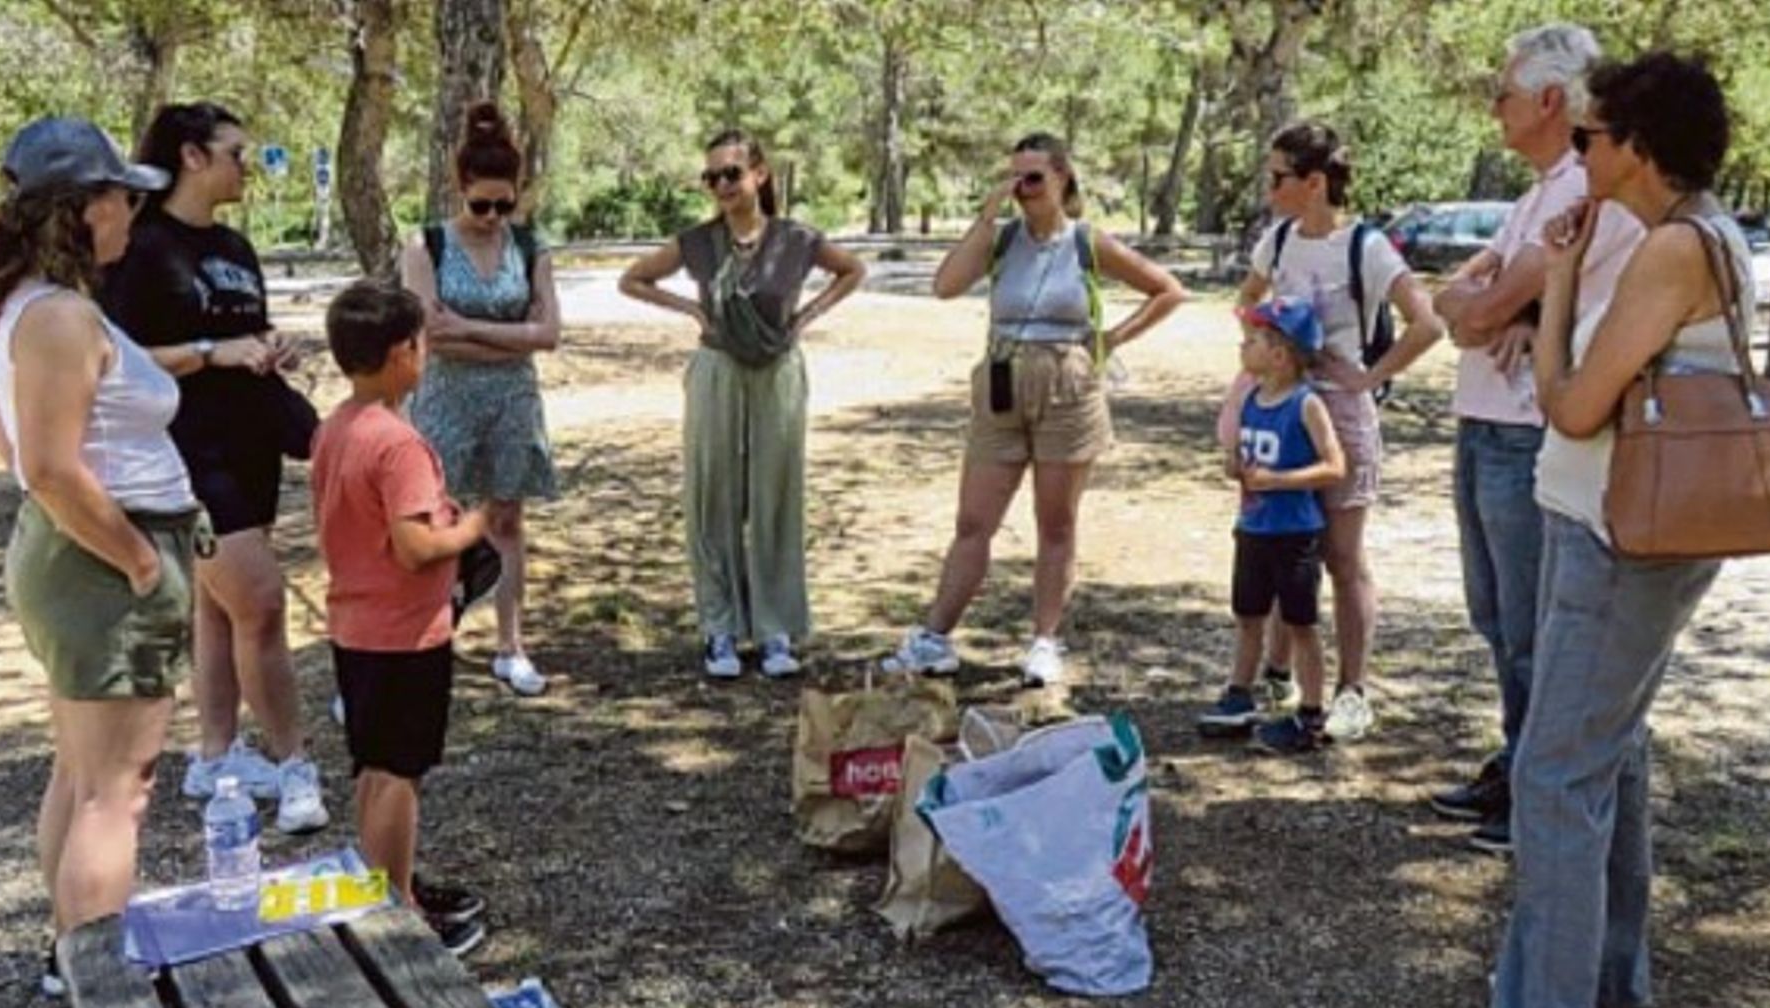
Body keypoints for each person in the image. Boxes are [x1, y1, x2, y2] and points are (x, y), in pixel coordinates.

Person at [1441, 53, 1751, 1008]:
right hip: (1620, 527)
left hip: (1616, 536)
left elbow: (1569, 401)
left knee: (1552, 774)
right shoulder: (1695, 235)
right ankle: (1608, 981)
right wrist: (1565, 271)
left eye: (1591, 137)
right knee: (1604, 759)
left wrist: (1556, 342)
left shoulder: (1671, 249)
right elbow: (1573, 369)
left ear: (1636, 146)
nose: (1579, 153)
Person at [0, 117, 193, 1008]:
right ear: (79, 207)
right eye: (122, 196)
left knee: (79, 773)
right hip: (104, 561)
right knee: (117, 792)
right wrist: (141, 562)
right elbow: (53, 468)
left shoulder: (26, 306)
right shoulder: (59, 317)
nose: (133, 214)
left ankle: (77, 968)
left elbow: (10, 445)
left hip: (75, 558)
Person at [1427, 25, 1644, 855]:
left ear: (1550, 100)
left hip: (1524, 432)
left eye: (1506, 93)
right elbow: (1455, 301)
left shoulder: (1572, 194)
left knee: (1528, 622)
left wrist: (1493, 305)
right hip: (1486, 421)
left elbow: (1477, 311)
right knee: (1494, 614)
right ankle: (1517, 760)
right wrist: (1480, 303)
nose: (1495, 108)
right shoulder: (1536, 193)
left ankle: (1532, 787)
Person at [884, 132, 1187, 686]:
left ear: (1062, 178)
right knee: (974, 521)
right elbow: (946, 285)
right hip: (1002, 380)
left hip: (1068, 385)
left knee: (1055, 522)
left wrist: (1110, 340)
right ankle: (934, 637)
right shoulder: (1001, 240)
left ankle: (1044, 642)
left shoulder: (1086, 242)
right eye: (1014, 177)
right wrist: (986, 218)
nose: (1022, 189)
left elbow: (1167, 290)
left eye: (1033, 178)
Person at [99, 102, 325, 835]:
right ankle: (295, 765)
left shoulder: (232, 242)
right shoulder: (139, 248)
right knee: (261, 601)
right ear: (193, 157)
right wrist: (208, 352)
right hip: (188, 452)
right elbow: (115, 361)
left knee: (220, 608)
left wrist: (266, 345)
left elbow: (243, 327)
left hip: (252, 440)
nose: (247, 166)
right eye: (236, 152)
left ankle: (215, 756)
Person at [618, 129, 866, 679]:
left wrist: (806, 318)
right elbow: (632, 280)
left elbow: (852, 269)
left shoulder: (795, 238)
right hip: (717, 368)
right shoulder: (698, 241)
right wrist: (691, 309)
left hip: (778, 369)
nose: (722, 186)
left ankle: (776, 627)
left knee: (775, 493)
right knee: (714, 495)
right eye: (712, 177)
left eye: (731, 173)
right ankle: (720, 626)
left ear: (760, 174)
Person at [1226, 121, 1442, 735]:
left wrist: (1367, 380)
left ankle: (1351, 690)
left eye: (1278, 177)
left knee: (1342, 557)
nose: (1269, 189)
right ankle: (1277, 675)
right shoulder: (1280, 239)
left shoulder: (1366, 248)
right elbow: (1246, 300)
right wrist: (1266, 351)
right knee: (1278, 542)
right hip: (1283, 408)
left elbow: (1426, 323)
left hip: (1341, 416)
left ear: (1315, 182)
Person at [312, 280, 492, 956]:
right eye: (420, 344)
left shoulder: (335, 428)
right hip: (406, 632)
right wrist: (470, 527)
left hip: (354, 626)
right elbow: (416, 545)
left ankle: (384, 884)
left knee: (373, 764)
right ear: (399, 354)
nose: (426, 355)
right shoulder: (398, 444)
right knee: (400, 772)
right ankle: (398, 911)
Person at [400, 101, 563, 696]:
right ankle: (422, 639)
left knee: (507, 519)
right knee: (433, 520)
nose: (494, 217)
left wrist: (469, 328)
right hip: (445, 399)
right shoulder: (426, 246)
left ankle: (509, 644)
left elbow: (548, 334)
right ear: (459, 189)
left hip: (513, 403)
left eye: (505, 204)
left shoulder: (530, 245)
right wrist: (510, 336)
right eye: (481, 204)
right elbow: (430, 333)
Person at [1194, 297, 1344, 753]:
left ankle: (1311, 714)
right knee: (1248, 615)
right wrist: (1234, 466)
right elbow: (1243, 457)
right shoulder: (1252, 399)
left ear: (1280, 354)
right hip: (1253, 528)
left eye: (1253, 341)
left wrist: (1279, 480)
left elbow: (1335, 466)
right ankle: (1239, 694)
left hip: (1294, 533)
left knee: (1301, 624)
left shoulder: (1306, 404)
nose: (1243, 347)